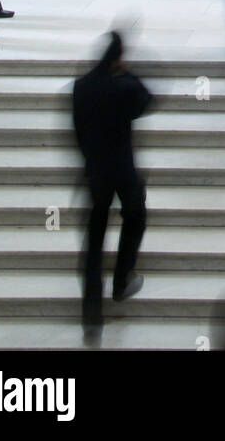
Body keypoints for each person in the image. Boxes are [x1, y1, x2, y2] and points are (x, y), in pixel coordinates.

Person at [72, 31, 152, 346]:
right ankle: (122, 278)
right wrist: (128, 71)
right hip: (123, 172)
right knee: (136, 218)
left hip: (94, 174)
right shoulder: (124, 87)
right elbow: (148, 99)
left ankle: (92, 319)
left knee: (93, 246)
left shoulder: (81, 87)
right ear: (118, 57)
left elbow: (76, 131)